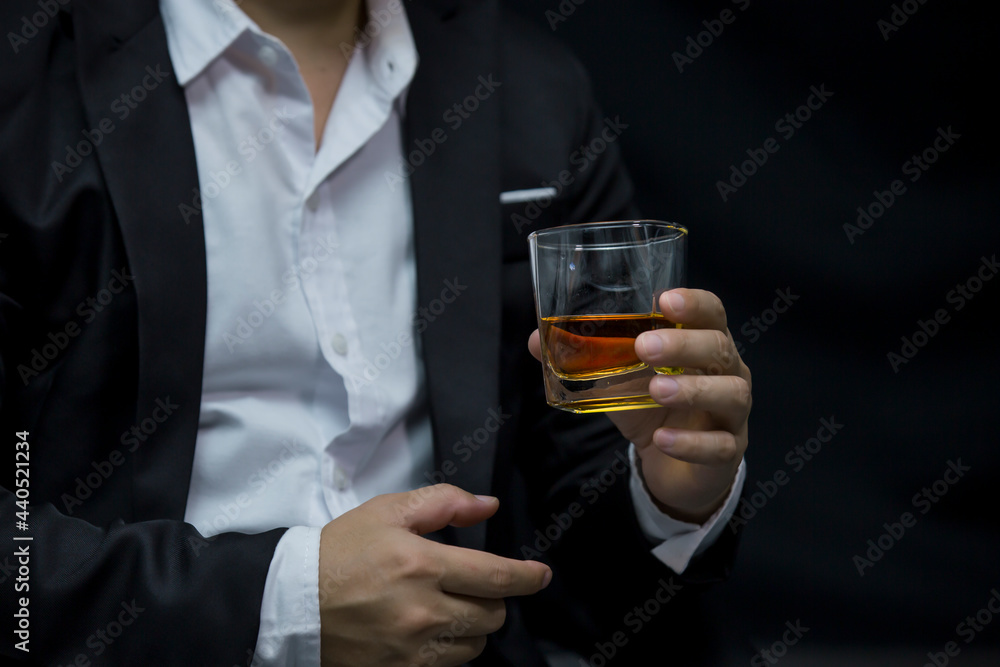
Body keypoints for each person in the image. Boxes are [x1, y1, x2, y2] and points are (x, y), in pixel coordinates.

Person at [0, 0, 752, 664]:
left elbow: (585, 564)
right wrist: (280, 605)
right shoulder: (27, 76)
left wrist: (670, 493)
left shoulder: (527, 87)